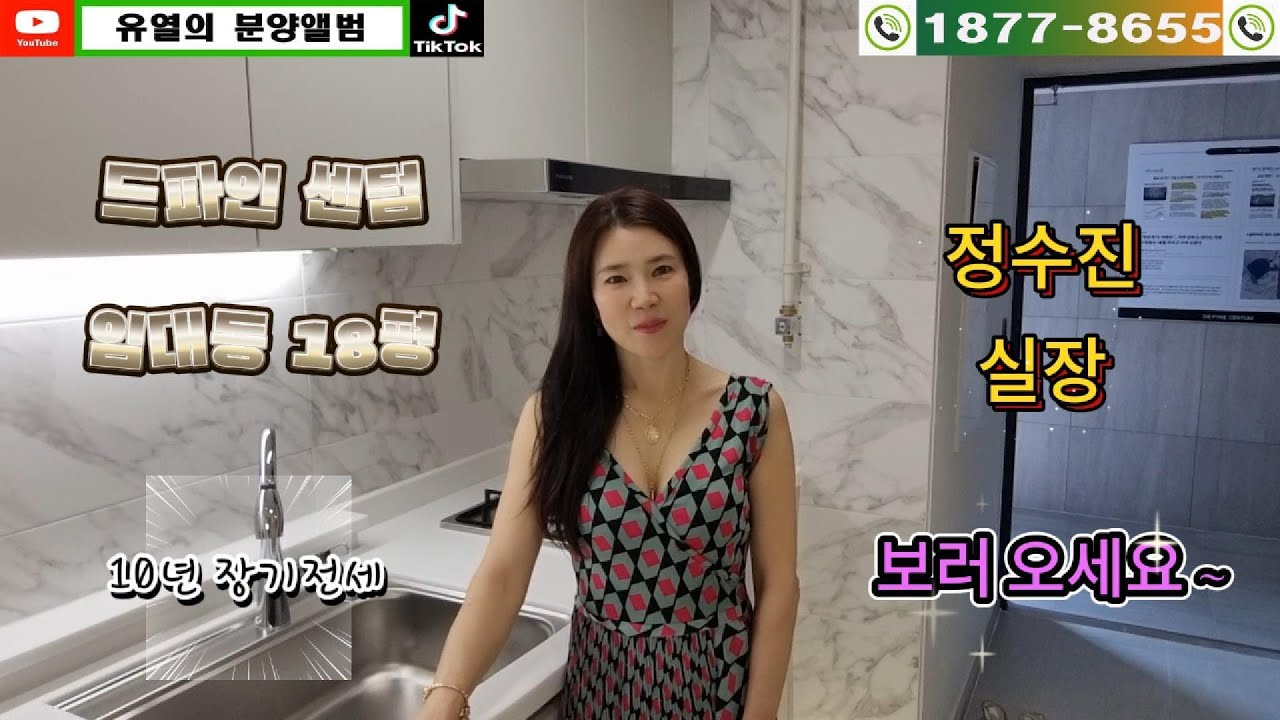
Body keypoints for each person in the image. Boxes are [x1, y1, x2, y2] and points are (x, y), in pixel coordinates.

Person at [416, 187, 800, 719]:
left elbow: (778, 587)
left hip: (719, 688)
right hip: (603, 690)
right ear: (590, 299)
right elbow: (503, 572)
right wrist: (447, 693)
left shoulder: (753, 411)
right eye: (617, 279)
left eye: (662, 270)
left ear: (690, 278)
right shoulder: (554, 416)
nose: (644, 296)